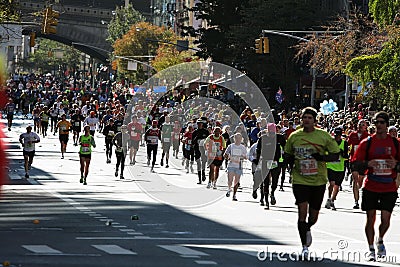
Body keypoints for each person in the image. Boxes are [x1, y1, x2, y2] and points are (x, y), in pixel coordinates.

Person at [284, 107, 340, 257]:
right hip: (300, 179)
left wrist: (321, 158)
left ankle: (307, 227)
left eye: (309, 118)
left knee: (314, 215)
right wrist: (287, 164)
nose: (306, 120)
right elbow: (288, 154)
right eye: (304, 118)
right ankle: (304, 246)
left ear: (314, 120)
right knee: (302, 211)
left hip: (318, 180)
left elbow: (335, 155)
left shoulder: (323, 136)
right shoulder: (294, 136)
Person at [351, 111, 400, 261]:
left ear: (386, 125)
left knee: (385, 220)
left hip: (388, 187)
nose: (379, 125)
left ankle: (380, 239)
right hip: (371, 185)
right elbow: (355, 163)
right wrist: (367, 164)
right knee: (370, 218)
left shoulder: (395, 143)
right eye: (376, 122)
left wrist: (396, 165)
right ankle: (371, 248)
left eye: (382, 122)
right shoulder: (368, 142)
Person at [325, 128, 349, 211]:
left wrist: (342, 153)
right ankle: (329, 198)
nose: (337, 137)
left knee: (337, 186)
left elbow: (346, 156)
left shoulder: (344, 143)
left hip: (340, 167)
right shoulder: (330, 143)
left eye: (338, 135)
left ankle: (332, 200)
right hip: (330, 166)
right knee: (331, 183)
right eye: (335, 135)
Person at [348, 119, 369, 209]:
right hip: (354, 160)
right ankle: (356, 201)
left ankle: (358, 190)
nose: (361, 126)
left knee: (360, 181)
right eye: (360, 124)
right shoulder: (352, 135)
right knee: (355, 180)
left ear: (366, 127)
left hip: (363, 161)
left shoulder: (368, 136)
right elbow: (347, 144)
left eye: (363, 125)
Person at [224, 133, 247, 201]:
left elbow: (246, 156)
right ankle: (229, 189)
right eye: (237, 138)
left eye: (239, 138)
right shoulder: (231, 146)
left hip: (238, 166)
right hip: (231, 165)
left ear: (241, 139)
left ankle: (234, 195)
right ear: (234, 139)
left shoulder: (242, 147)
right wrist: (228, 158)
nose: (238, 140)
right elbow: (225, 154)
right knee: (230, 180)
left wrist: (242, 157)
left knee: (236, 181)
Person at [192, 118, 209, 184]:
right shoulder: (195, 132)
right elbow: (192, 142)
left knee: (204, 162)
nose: (199, 125)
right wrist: (196, 138)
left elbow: (209, 140)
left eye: (200, 124)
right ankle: (199, 179)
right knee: (198, 163)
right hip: (197, 149)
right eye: (198, 124)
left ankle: (203, 173)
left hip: (204, 149)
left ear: (202, 124)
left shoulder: (206, 132)